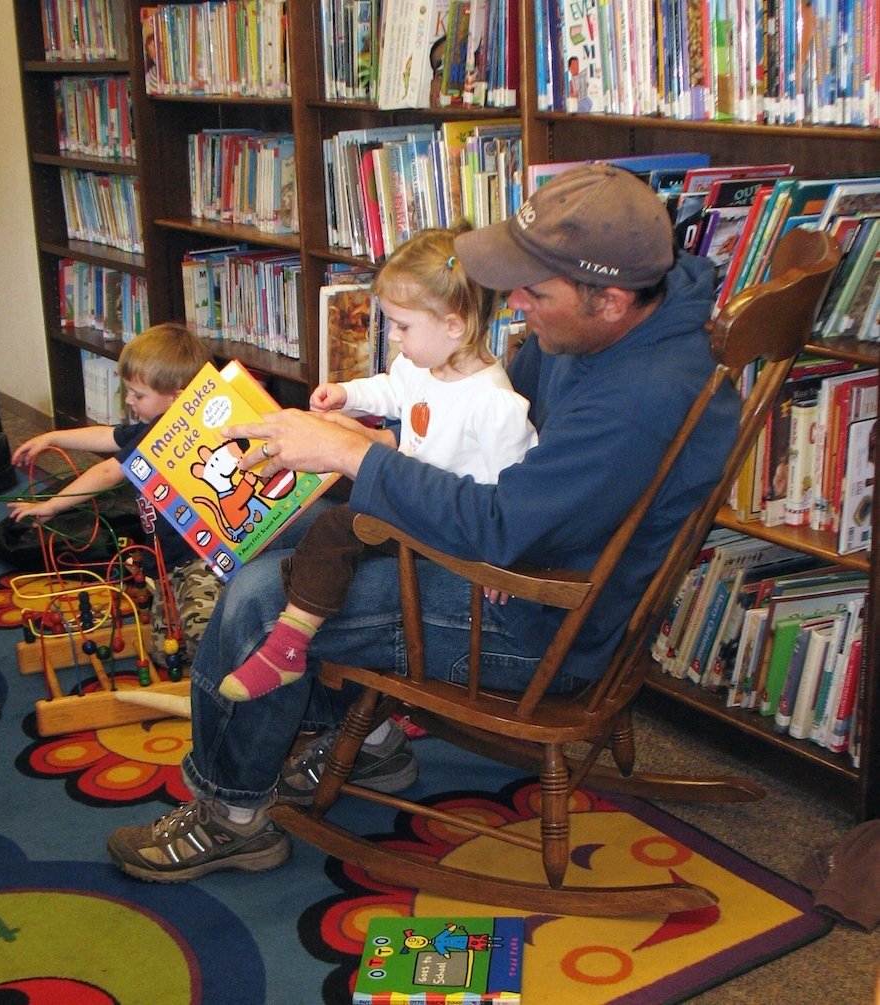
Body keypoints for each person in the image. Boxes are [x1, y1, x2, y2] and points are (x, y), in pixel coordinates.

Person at [106, 164, 740, 883]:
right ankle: (366, 735)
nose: (516, 304)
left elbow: (500, 524)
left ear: (612, 300)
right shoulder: (620, 324)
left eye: (537, 290)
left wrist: (355, 452)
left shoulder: (638, 399)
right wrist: (382, 446)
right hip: (526, 557)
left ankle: (232, 812)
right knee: (284, 528)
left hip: (540, 620)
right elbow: (502, 452)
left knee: (260, 597)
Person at [218, 227, 538, 702]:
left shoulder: (496, 405)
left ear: (454, 324)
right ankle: (289, 612)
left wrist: (501, 564)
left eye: (404, 326)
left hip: (448, 536)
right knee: (323, 513)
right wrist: (347, 396)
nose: (395, 338)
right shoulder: (421, 367)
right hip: (409, 503)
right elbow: (391, 389)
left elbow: (513, 496)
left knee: (335, 528)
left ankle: (286, 648)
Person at [9, 323, 218, 670]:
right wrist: (53, 437)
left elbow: (108, 471)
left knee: (199, 638)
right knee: (164, 652)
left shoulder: (160, 435)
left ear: (178, 397)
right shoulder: (150, 428)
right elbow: (108, 437)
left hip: (200, 560)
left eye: (138, 395)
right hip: (167, 564)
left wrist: (51, 505)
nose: (129, 401)